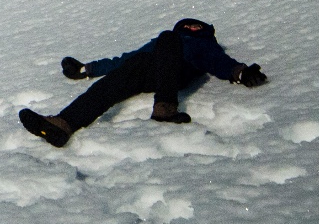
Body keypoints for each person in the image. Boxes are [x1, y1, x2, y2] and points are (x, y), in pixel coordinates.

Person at [18, 18, 267, 148]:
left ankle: (165, 108)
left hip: (177, 72)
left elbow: (219, 61)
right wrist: (86, 70)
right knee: (124, 72)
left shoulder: (202, 44)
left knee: (166, 39)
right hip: (148, 69)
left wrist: (241, 72)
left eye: (194, 25)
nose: (189, 27)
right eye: (186, 25)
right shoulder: (161, 42)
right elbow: (123, 60)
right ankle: (64, 124)